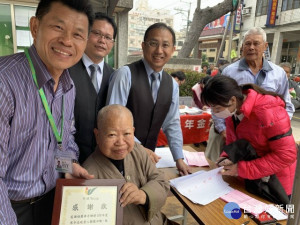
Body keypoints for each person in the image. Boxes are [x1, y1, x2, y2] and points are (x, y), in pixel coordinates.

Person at [0, 1, 94, 224]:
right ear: (35, 27)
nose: (67, 41)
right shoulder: (4, 82)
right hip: (10, 209)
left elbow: (60, 141)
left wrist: (69, 166)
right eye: (58, 27)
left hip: (51, 202)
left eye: (78, 34)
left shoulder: (67, 87)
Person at [107, 22, 190, 175]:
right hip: (118, 159)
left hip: (147, 161)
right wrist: (138, 148)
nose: (159, 50)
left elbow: (172, 123)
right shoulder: (125, 74)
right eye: (153, 43)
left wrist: (179, 158)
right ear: (143, 46)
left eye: (165, 45)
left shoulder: (172, 84)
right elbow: (113, 121)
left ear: (173, 50)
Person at [205, 27, 295, 162]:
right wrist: (223, 130)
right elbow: (216, 104)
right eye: (247, 43)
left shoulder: (278, 73)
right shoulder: (229, 71)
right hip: (231, 133)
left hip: (263, 140)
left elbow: (286, 105)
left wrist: (278, 130)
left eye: (256, 43)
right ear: (242, 47)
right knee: (217, 168)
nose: (251, 47)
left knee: (252, 174)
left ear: (265, 46)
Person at [201, 75, 297, 198]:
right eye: (212, 108)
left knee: (275, 216)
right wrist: (226, 158)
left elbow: (286, 155)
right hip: (252, 179)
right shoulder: (233, 111)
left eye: (217, 108)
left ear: (233, 100)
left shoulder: (269, 112)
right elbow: (232, 142)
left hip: (275, 184)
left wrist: (241, 169)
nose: (214, 112)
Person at [83, 105, 176, 225]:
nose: (120, 142)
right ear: (97, 135)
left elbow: (160, 180)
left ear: (133, 131)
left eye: (127, 133)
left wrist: (144, 195)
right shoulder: (88, 173)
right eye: (112, 135)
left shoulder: (138, 150)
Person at [69, 12, 117, 164]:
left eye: (108, 37)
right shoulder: (66, 70)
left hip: (104, 160)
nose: (102, 41)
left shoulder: (115, 76)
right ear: (86, 35)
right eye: (97, 33)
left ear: (112, 44)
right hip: (71, 158)